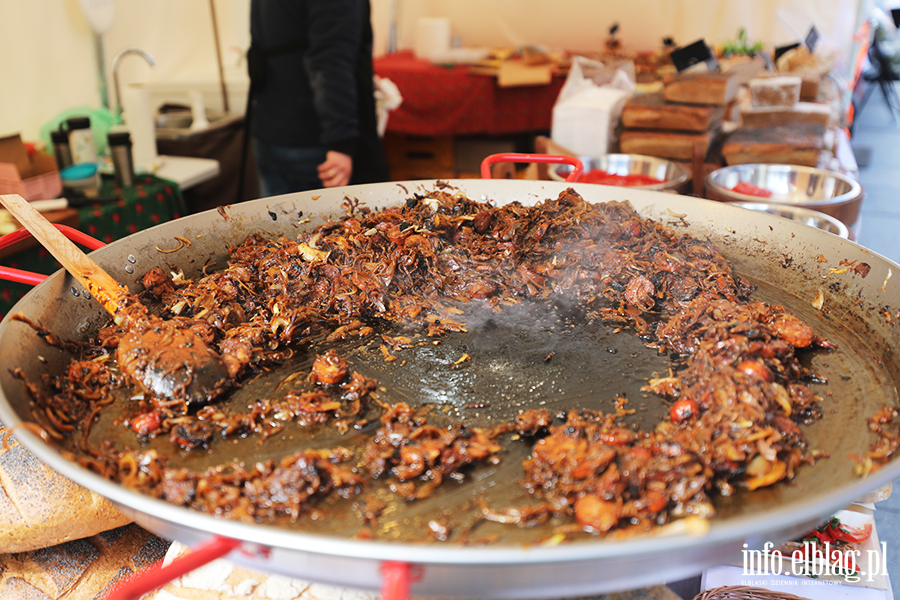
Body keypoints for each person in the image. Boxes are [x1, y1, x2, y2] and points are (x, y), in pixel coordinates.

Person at [248, 0, 389, 196]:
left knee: (276, 214)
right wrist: (341, 142)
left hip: (271, 129)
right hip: (314, 141)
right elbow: (331, 62)